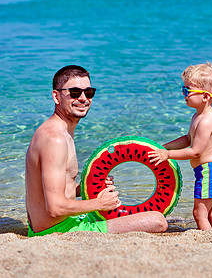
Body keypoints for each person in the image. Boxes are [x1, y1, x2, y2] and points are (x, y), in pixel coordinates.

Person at [25, 65, 168, 236]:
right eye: (75, 92)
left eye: (89, 92)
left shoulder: (60, 132)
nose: (83, 98)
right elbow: (55, 207)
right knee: (158, 221)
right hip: (56, 231)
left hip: (67, 222)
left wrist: (87, 188)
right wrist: (99, 204)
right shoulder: (54, 139)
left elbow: (56, 189)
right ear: (56, 96)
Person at [148, 62, 212, 230]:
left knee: (200, 214)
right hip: (210, 171)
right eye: (183, 89)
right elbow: (187, 139)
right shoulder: (198, 115)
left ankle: (208, 242)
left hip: (209, 171)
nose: (184, 94)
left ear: (206, 97)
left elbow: (196, 151)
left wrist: (167, 156)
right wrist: (164, 147)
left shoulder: (206, 121)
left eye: (187, 91)